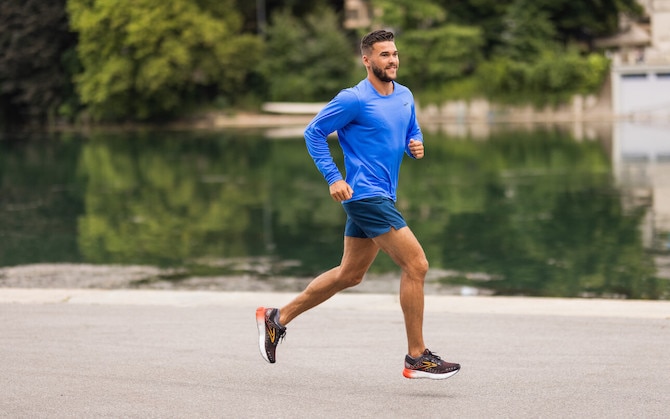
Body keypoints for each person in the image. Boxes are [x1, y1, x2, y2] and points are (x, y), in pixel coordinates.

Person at [256, 29, 460, 380]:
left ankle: (277, 318)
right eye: (384, 55)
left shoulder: (405, 95)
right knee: (417, 265)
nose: (393, 60)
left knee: (350, 274)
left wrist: (415, 143)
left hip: (382, 194)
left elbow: (411, 129)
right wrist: (334, 177)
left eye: (394, 54)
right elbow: (313, 132)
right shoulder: (353, 99)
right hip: (365, 195)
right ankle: (416, 356)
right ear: (367, 60)